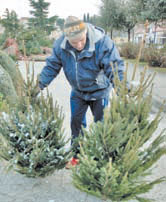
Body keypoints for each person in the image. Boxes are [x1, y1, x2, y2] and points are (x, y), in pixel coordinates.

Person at [37, 16, 125, 167]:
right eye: (74, 42)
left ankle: (100, 159)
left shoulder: (102, 42)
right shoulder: (61, 45)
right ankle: (76, 156)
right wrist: (39, 85)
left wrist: (121, 87)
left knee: (101, 125)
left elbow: (114, 66)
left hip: (99, 91)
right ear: (67, 38)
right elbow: (52, 66)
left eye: (81, 40)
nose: (78, 45)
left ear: (86, 33)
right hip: (78, 92)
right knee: (76, 124)